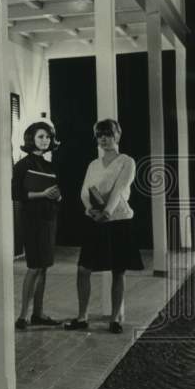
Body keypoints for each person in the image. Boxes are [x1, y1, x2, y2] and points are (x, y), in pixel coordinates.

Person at [64, 118, 144, 334]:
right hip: (95, 220)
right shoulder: (93, 164)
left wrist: (107, 211)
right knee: (83, 270)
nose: (104, 139)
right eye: (100, 136)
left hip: (118, 220)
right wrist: (89, 208)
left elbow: (120, 189)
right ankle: (82, 317)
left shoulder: (126, 161)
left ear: (117, 135)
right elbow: (84, 190)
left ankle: (115, 318)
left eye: (108, 134)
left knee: (118, 271)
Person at [12, 121, 63, 329]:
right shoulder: (23, 165)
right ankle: (23, 315)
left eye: (48, 137)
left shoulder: (49, 165)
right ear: (31, 138)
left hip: (49, 219)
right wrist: (42, 193)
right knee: (34, 267)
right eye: (41, 136)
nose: (45, 140)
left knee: (44, 268)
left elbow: (57, 193)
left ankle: (38, 313)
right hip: (32, 220)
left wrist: (58, 196)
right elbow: (16, 194)